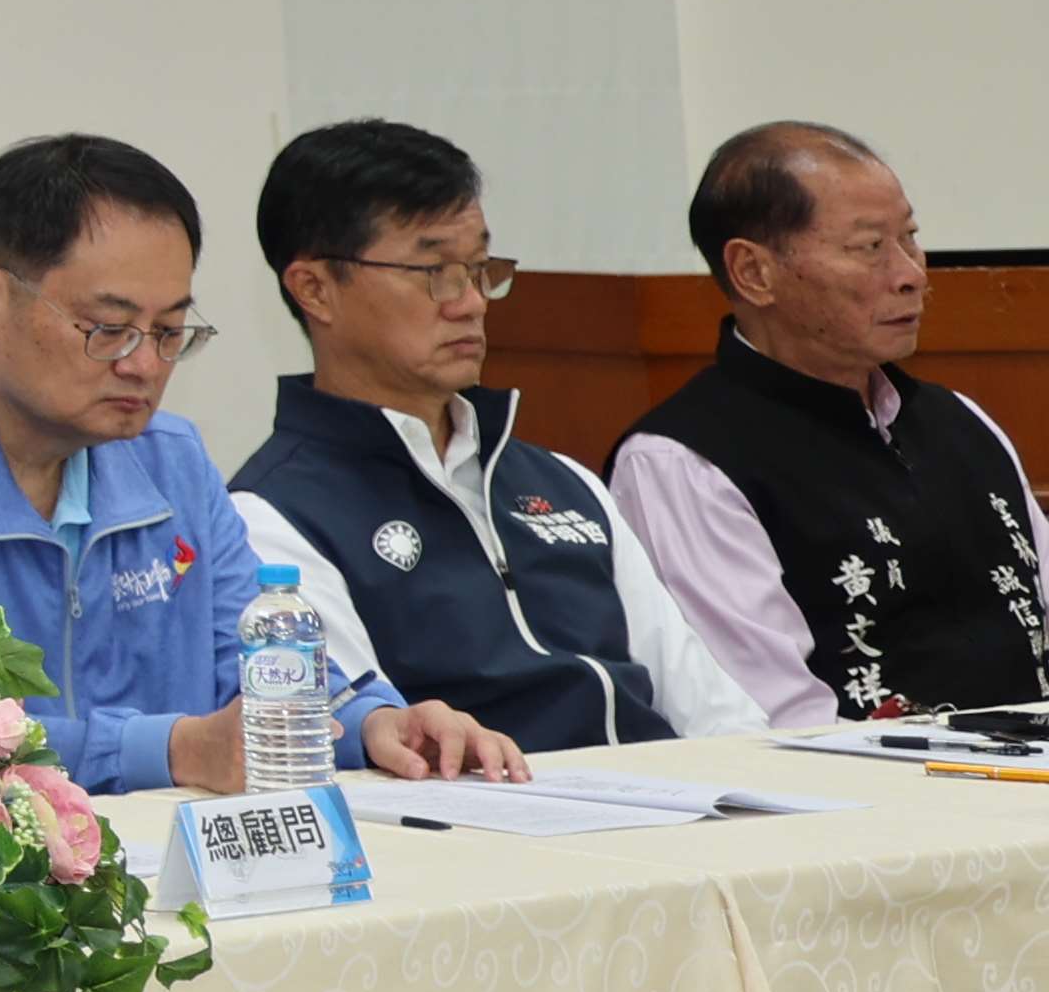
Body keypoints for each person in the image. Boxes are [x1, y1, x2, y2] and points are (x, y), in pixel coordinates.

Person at [0, 134, 530, 793]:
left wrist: (370, 722)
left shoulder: (170, 460)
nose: (144, 364)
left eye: (172, 331)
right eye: (109, 329)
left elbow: (252, 656)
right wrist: (173, 750)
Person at [228, 119, 764, 748]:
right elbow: (369, 740)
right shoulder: (270, 517)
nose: (472, 302)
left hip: (670, 791)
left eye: (481, 269)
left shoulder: (566, 484)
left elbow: (713, 711)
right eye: (435, 270)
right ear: (315, 289)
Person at [612, 124, 1049, 724]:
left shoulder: (959, 421)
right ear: (753, 272)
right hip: (870, 781)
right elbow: (768, 724)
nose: (912, 274)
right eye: (870, 247)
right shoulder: (683, 463)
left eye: (910, 238)